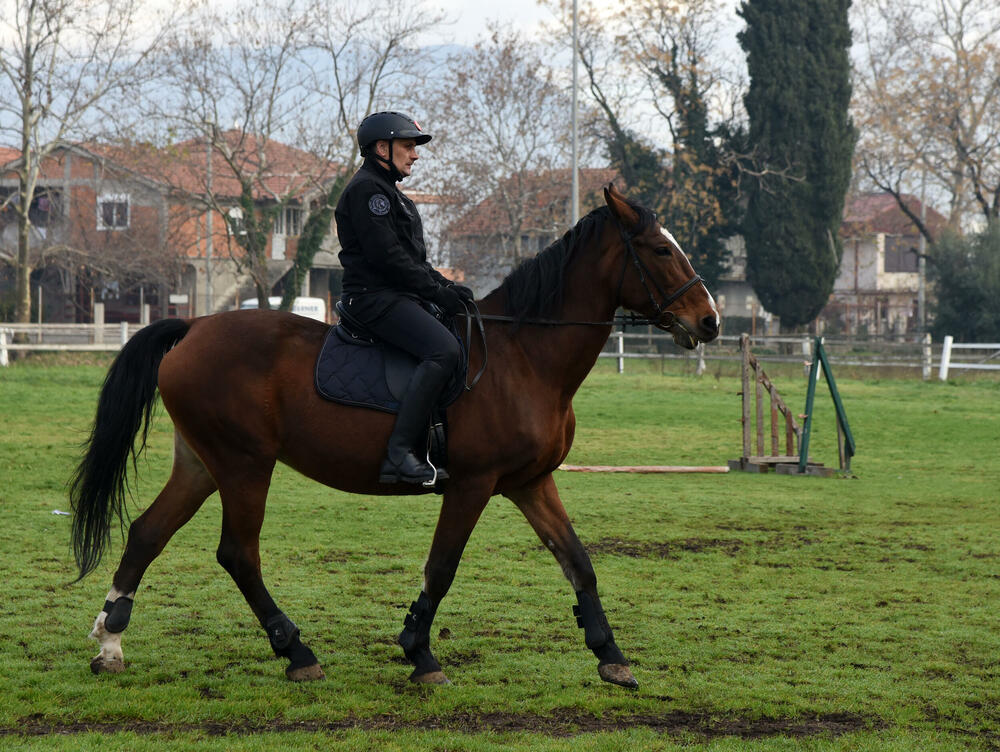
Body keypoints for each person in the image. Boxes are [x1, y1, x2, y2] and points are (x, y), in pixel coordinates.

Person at [334, 111, 474, 485]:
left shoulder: (391, 193)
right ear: (382, 147)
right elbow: (388, 260)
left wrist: (446, 287)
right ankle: (399, 454)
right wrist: (436, 293)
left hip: (397, 295)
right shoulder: (368, 191)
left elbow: (412, 260)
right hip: (374, 299)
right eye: (409, 146)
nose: (415, 154)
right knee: (443, 351)